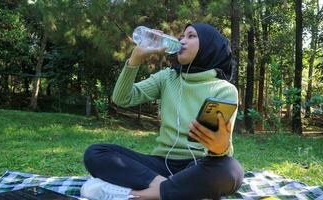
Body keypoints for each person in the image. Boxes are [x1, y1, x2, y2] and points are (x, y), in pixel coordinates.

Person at [82, 23, 244, 200]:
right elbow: (122, 98)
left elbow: (218, 151)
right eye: (182, 36)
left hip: (199, 166)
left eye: (191, 36)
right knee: (95, 153)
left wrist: (220, 148)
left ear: (208, 46)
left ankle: (137, 195)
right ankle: (174, 189)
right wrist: (134, 60)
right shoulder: (167, 77)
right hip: (160, 165)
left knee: (231, 170)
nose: (182, 40)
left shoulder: (223, 89)